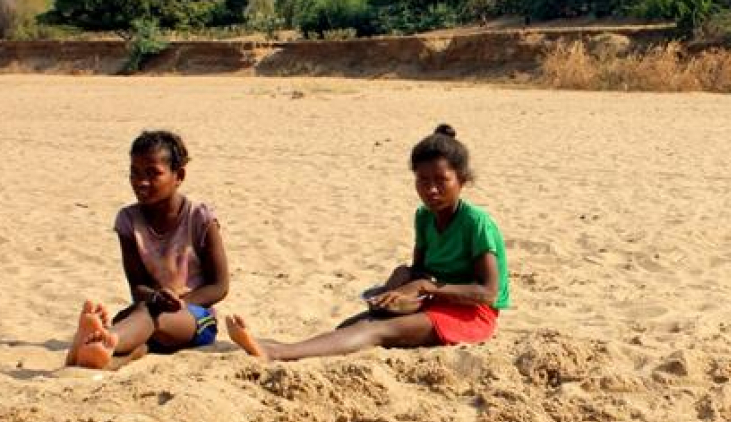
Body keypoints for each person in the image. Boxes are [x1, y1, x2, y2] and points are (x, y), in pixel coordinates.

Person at [227, 124, 508, 361]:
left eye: (441, 180)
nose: (431, 189)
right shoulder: (424, 217)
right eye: (423, 180)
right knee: (352, 325)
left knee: (375, 332)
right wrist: (399, 285)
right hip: (436, 301)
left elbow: (487, 293)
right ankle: (278, 346)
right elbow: (421, 272)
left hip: (472, 314)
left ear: (462, 180)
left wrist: (425, 287)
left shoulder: (476, 223)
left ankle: (276, 353)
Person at [66, 130, 230, 369]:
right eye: (135, 173)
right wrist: (155, 298)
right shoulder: (128, 220)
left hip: (196, 319)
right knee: (140, 337)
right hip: (149, 310)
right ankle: (94, 358)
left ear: (179, 175)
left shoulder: (200, 218)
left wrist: (180, 303)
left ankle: (106, 339)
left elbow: (220, 286)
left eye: (153, 173)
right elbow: (137, 286)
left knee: (149, 317)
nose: (141, 181)